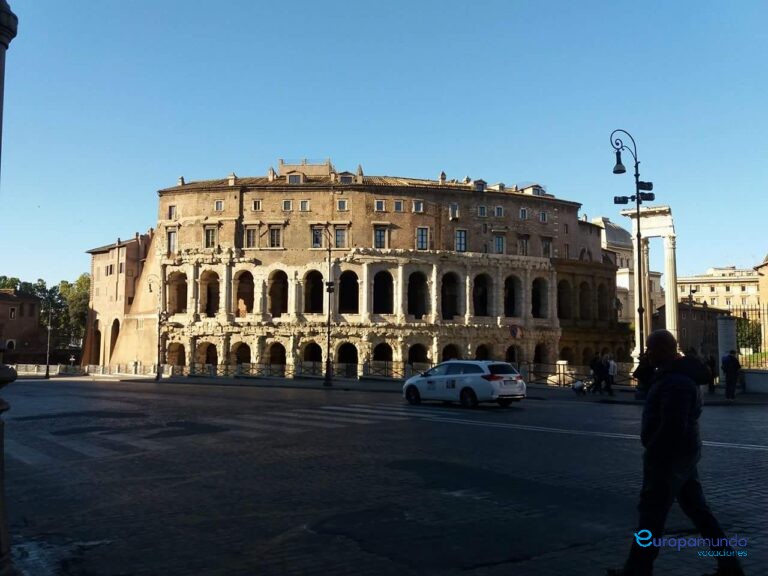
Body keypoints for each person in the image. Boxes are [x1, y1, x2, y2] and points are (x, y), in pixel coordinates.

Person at [607, 330, 745, 576]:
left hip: (669, 459)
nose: (647, 354)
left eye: (650, 349)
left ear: (663, 350)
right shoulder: (673, 376)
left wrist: (654, 452)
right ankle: (730, 565)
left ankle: (637, 569)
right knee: (699, 512)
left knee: (651, 515)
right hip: (682, 457)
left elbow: (673, 425)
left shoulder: (675, 382)